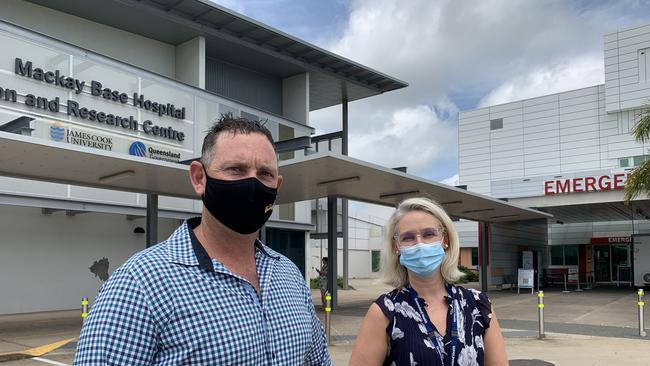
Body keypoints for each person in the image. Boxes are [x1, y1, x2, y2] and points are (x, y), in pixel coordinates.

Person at [74, 115, 331, 365]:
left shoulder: (288, 276)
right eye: (235, 169)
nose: (252, 184)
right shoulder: (139, 285)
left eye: (265, 174)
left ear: (278, 184)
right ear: (199, 178)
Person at [349, 197, 508, 366]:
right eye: (408, 238)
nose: (420, 244)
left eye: (429, 234)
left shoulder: (479, 306)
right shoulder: (384, 312)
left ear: (444, 240)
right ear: (396, 247)